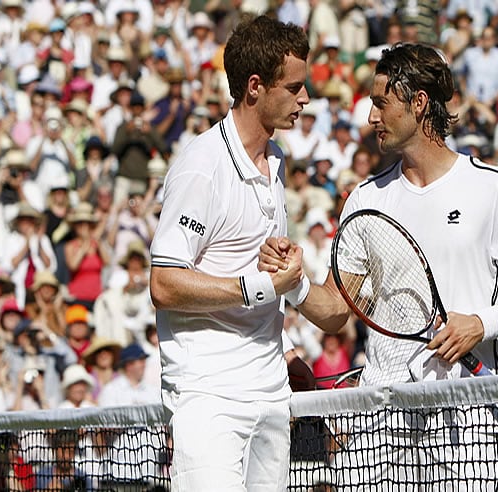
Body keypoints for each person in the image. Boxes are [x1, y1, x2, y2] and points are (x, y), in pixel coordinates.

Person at [259, 43, 498, 487]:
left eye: (380, 103)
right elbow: (338, 311)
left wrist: (481, 323)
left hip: (468, 423)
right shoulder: (365, 199)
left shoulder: (492, 188)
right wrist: (296, 284)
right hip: (384, 422)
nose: (370, 117)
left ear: (418, 103)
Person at [149, 15, 308, 491]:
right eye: (295, 88)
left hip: (270, 393)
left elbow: (242, 265)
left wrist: (288, 353)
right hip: (210, 397)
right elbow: (165, 283)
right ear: (255, 86)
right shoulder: (202, 166)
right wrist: (263, 286)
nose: (305, 99)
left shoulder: (274, 161)